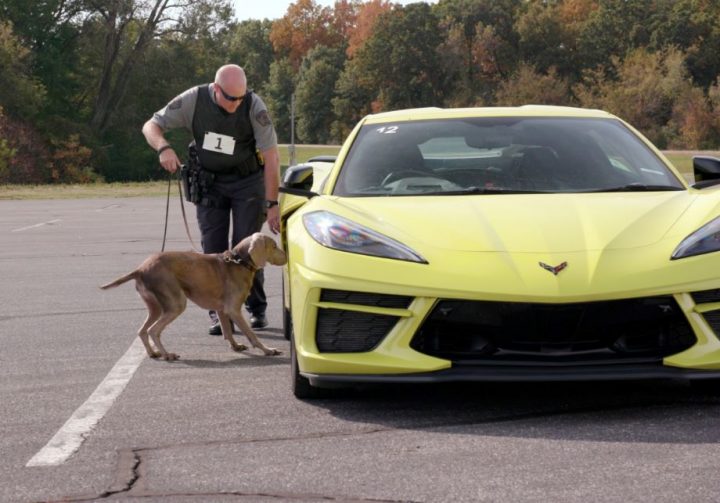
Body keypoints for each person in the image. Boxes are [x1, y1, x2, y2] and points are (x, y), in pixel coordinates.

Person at [142, 64, 280, 334]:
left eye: (240, 97)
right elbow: (151, 125)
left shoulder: (254, 106)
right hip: (211, 183)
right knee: (212, 251)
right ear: (216, 90)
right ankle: (220, 314)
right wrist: (164, 148)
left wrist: (272, 203)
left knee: (248, 248)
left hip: (247, 182)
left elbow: (272, 157)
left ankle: (256, 308)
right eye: (230, 98)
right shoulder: (194, 99)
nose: (236, 103)